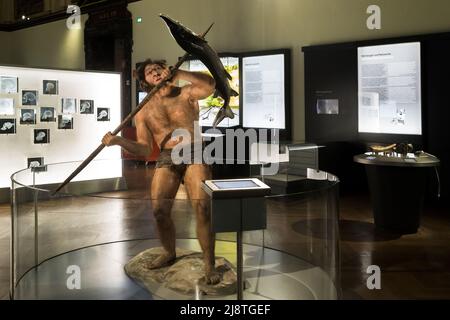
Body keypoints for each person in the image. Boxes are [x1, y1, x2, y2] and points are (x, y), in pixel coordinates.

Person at [102, 58, 220, 284]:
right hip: (168, 156)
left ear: (167, 70)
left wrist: (180, 73)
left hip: (195, 151)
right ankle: (169, 251)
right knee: (158, 211)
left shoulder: (186, 92)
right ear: (144, 80)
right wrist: (118, 141)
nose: (155, 73)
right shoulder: (143, 110)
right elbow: (145, 148)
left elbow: (210, 85)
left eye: (159, 68)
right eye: (149, 71)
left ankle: (209, 263)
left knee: (203, 207)